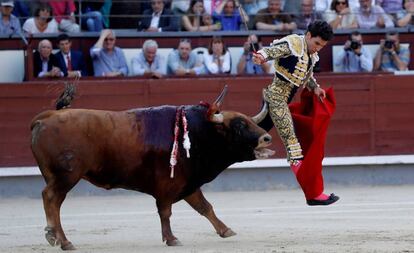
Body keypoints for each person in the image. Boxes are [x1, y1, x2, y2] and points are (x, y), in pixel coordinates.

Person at [252, 20, 339, 206]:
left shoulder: (310, 54)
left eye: (322, 46)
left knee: (252, 137)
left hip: (283, 102)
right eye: (317, 43)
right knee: (293, 145)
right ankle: (312, 193)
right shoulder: (293, 43)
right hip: (276, 100)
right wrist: (260, 55)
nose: (318, 49)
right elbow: (271, 51)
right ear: (308, 35)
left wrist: (315, 87)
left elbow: (306, 76)